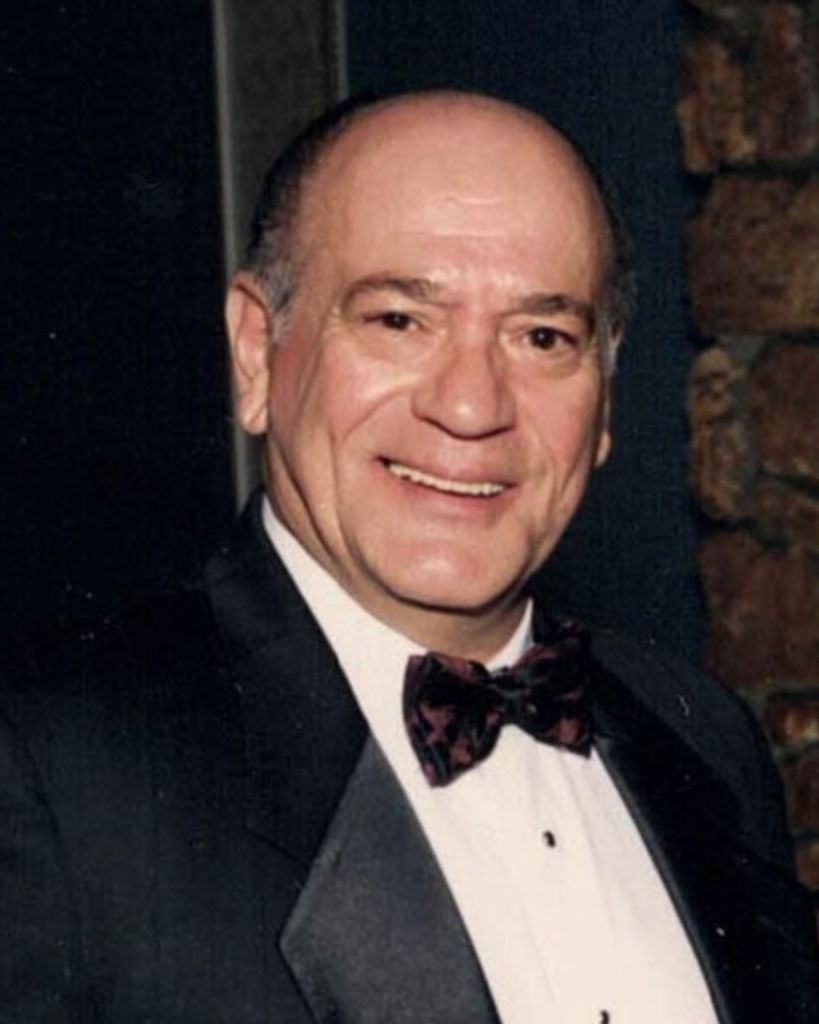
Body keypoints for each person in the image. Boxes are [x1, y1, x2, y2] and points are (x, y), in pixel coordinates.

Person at [0, 91, 816, 1024]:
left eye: (542, 337)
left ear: (603, 397)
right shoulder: (52, 768)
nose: (470, 406)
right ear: (258, 352)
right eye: (398, 320)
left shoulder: (701, 741)